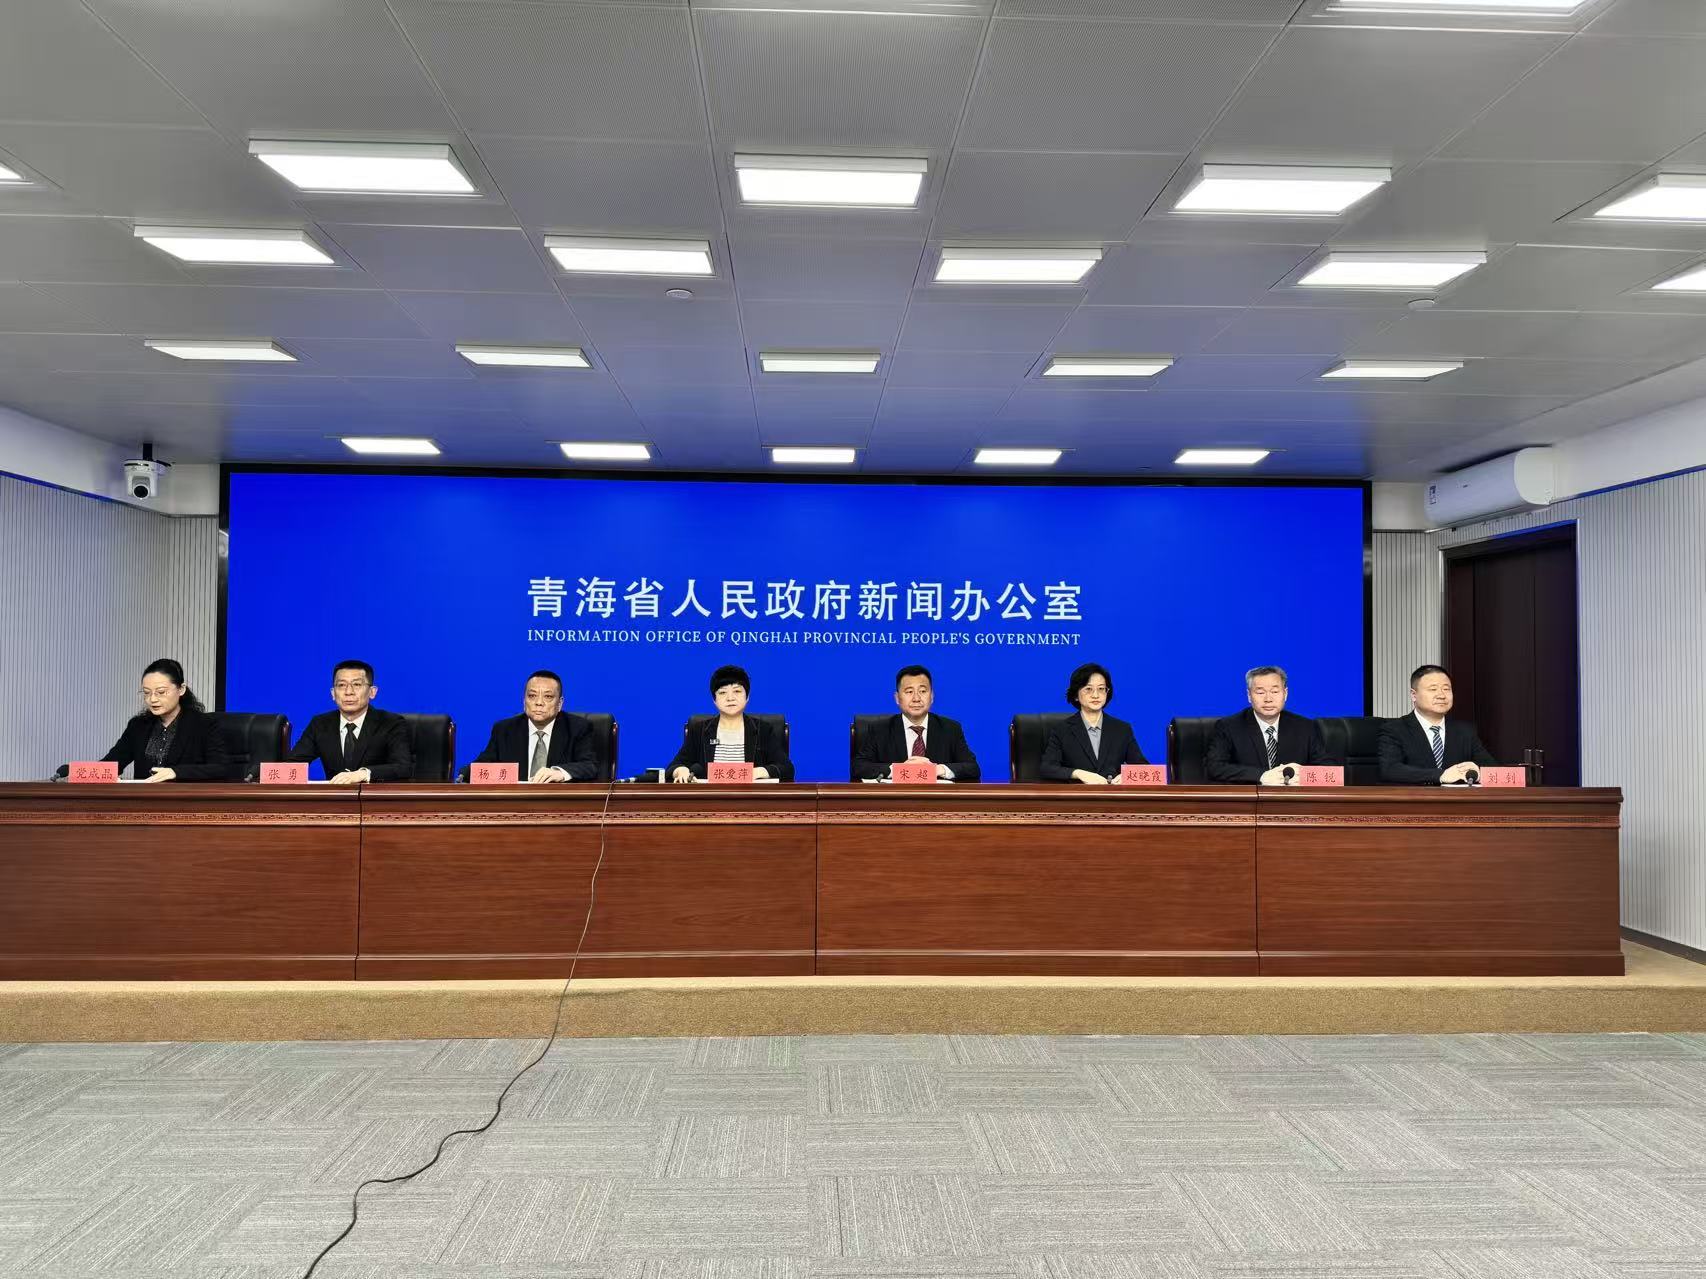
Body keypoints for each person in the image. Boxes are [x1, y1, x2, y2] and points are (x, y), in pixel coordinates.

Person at [61, 658, 237, 782]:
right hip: (143, 804)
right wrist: (77, 772)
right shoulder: (138, 726)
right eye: (146, 693)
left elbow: (221, 768)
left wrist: (176, 772)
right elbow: (112, 765)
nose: (152, 699)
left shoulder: (204, 725)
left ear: (181, 689)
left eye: (161, 692)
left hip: (186, 805)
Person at [287, 659, 413, 784]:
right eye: (341, 685)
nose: (348, 692)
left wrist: (363, 774)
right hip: (334, 795)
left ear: (372, 692)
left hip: (375, 796)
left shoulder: (391, 723)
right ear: (333, 693)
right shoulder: (320, 724)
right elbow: (292, 765)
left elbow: (403, 767)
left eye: (357, 685)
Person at [1206, 664, 1335, 784]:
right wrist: (1262, 776)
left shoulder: (1306, 727)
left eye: (1274, 692)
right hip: (1252, 798)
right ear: (1249, 695)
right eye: (1260, 692)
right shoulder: (1228, 727)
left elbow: (1331, 772)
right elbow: (1214, 767)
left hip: (1293, 798)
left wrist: (1302, 775)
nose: (1268, 699)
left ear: (1285, 694)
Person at [466, 669, 601, 782]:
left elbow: (590, 766)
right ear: (524, 701)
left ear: (560, 704)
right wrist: (465, 774)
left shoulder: (578, 728)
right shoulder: (504, 730)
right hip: (515, 801)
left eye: (548, 697)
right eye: (532, 696)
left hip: (559, 802)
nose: (539, 702)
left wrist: (559, 772)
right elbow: (480, 768)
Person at [853, 664, 980, 782]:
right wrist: (900, 770)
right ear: (897, 698)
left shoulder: (950, 728)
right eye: (909, 692)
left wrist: (937, 769)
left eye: (923, 691)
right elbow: (859, 767)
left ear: (932, 696)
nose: (916, 698)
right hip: (895, 797)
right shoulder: (880, 729)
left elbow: (972, 768)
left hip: (936, 797)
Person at [668, 664, 793, 782]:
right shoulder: (699, 730)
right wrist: (680, 770)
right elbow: (673, 768)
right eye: (722, 692)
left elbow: (787, 769)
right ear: (714, 700)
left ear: (747, 696)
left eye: (737, 691)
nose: (730, 698)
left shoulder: (763, 730)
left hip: (751, 796)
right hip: (710, 797)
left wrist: (758, 772)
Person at [1378, 664, 1497, 785]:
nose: (1441, 695)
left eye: (1446, 689)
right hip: (1415, 796)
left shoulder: (1465, 731)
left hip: (1457, 797)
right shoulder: (1394, 729)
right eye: (1433, 689)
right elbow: (1390, 769)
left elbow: (1493, 769)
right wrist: (1441, 775)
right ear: (1414, 695)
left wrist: (1478, 772)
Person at [1038, 662, 1147, 784]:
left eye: (1101, 689)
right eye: (1088, 689)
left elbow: (1145, 769)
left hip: (1112, 794)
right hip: (1078, 794)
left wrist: (1127, 776)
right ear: (1076, 695)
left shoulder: (1122, 729)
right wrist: (1078, 773)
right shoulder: (1062, 730)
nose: (1095, 695)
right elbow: (1047, 768)